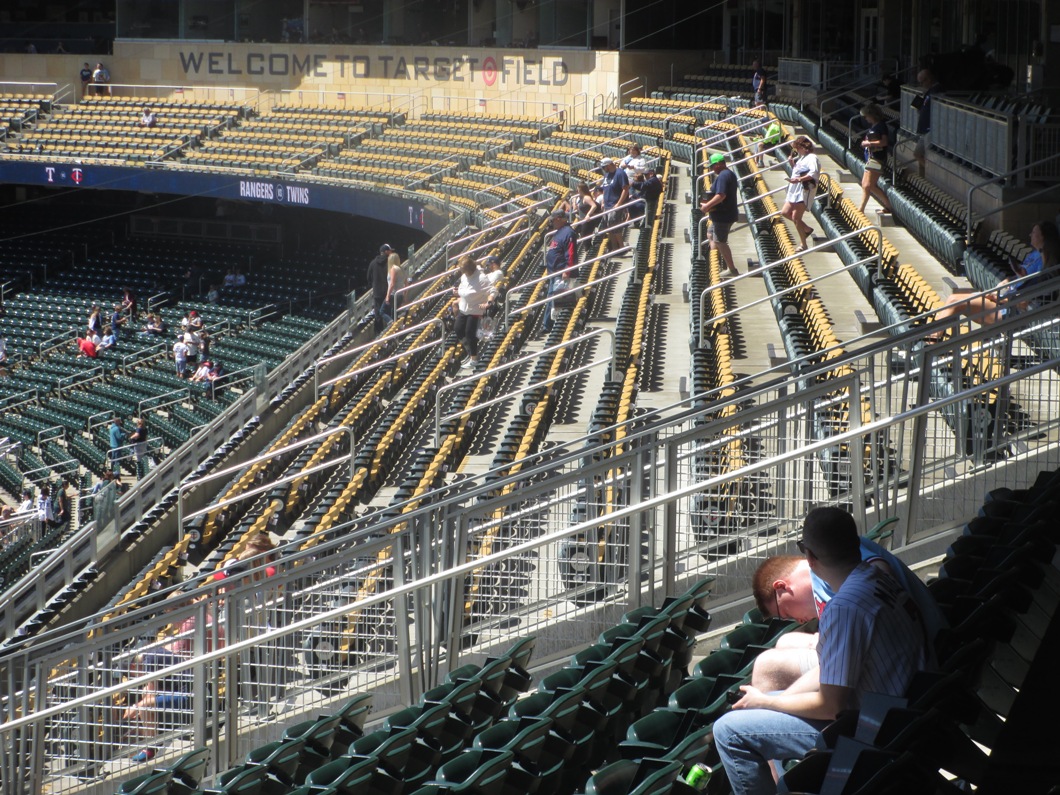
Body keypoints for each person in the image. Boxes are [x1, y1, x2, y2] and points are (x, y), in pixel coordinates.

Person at [713, 507, 931, 795]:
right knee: (772, 698)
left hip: (874, 731)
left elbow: (832, 706)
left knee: (728, 731)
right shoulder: (877, 575)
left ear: (810, 557)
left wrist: (768, 703)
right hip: (904, 710)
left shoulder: (843, 609)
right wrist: (769, 699)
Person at [749, 513, 947, 692]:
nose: (799, 621)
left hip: (909, 664)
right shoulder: (834, 578)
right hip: (900, 658)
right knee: (786, 640)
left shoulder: (837, 557)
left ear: (782, 587)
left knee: (765, 666)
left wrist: (777, 702)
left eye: (787, 613)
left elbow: (878, 576)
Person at [929, 220, 1059, 338]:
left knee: (955, 301)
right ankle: (932, 338)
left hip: (1013, 313)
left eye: (1034, 232)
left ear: (1044, 237)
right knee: (954, 298)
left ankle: (931, 341)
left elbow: (1026, 303)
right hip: (1007, 302)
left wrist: (1000, 298)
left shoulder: (1048, 272)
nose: (1030, 235)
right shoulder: (1035, 255)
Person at [698, 153, 740, 278]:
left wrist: (706, 206)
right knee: (710, 234)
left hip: (724, 214)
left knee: (720, 241)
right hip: (721, 214)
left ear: (719, 164)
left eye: (713, 166)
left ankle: (731, 269)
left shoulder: (724, 175)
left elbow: (721, 195)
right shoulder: (727, 174)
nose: (712, 169)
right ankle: (715, 261)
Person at [453, 254, 492, 370]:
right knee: (458, 329)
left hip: (476, 308)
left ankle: (474, 359)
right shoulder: (465, 277)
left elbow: (492, 291)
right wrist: (457, 292)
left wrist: (488, 303)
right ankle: (470, 353)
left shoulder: (481, 278)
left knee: (470, 333)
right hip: (464, 307)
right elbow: (463, 288)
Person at [781, 136, 820, 252]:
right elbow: (797, 172)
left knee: (796, 218)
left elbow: (813, 173)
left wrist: (798, 180)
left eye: (797, 148)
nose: (796, 151)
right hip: (794, 189)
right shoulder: (802, 158)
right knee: (785, 212)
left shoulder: (812, 158)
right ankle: (806, 229)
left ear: (803, 147)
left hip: (804, 190)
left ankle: (803, 244)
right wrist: (792, 164)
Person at [543, 210, 577, 333]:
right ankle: (548, 325)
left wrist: (567, 270)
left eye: (554, 219)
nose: (552, 221)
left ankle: (551, 326)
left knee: (557, 300)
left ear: (560, 219)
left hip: (562, 272)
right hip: (555, 272)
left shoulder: (568, 232)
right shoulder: (560, 232)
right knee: (552, 299)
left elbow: (571, 253)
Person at [858, 104, 893, 214]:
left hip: (877, 158)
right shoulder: (874, 126)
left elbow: (884, 142)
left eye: (867, 116)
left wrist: (869, 143)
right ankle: (887, 205)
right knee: (867, 184)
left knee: (868, 185)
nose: (866, 118)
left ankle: (862, 209)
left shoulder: (881, 126)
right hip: (871, 158)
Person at [598, 157, 630, 255]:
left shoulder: (620, 173)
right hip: (607, 205)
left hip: (615, 204)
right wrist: (603, 202)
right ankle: (614, 248)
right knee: (609, 228)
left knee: (616, 228)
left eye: (604, 167)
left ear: (609, 165)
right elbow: (605, 189)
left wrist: (619, 204)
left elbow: (625, 189)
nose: (603, 169)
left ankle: (621, 248)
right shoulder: (606, 175)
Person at [913, 68, 940, 177]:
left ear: (928, 79)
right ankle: (926, 175)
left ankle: (932, 176)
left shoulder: (937, 90)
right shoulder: (929, 91)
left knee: (925, 154)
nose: (921, 84)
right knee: (917, 154)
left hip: (931, 129)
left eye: (922, 82)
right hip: (924, 130)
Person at [367, 243, 393, 333]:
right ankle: (390, 331)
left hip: (377, 292)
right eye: (389, 251)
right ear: (385, 251)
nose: (391, 253)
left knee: (378, 313)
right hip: (388, 291)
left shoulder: (373, 263)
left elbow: (368, 277)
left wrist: (374, 285)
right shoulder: (390, 263)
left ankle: (379, 332)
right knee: (388, 311)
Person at [384, 251, 407, 319]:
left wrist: (387, 296)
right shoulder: (401, 269)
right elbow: (406, 283)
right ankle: (396, 326)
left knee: (382, 311)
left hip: (394, 294)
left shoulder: (393, 269)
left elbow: (392, 283)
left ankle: (391, 324)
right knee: (395, 312)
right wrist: (404, 295)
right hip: (400, 294)